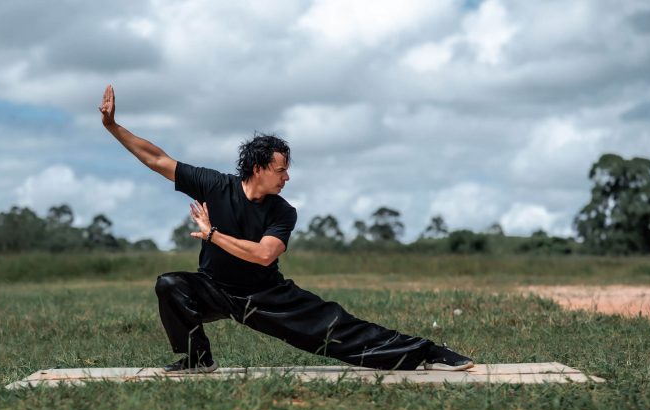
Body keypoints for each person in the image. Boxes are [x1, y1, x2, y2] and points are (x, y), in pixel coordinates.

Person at [99, 85, 475, 373]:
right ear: (259, 168)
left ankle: (425, 352)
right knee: (170, 285)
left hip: (266, 295)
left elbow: (264, 255)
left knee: (336, 330)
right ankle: (197, 359)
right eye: (281, 170)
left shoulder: (282, 211)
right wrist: (113, 127)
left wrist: (213, 235)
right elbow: (157, 158)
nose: (287, 177)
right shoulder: (215, 186)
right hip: (215, 289)